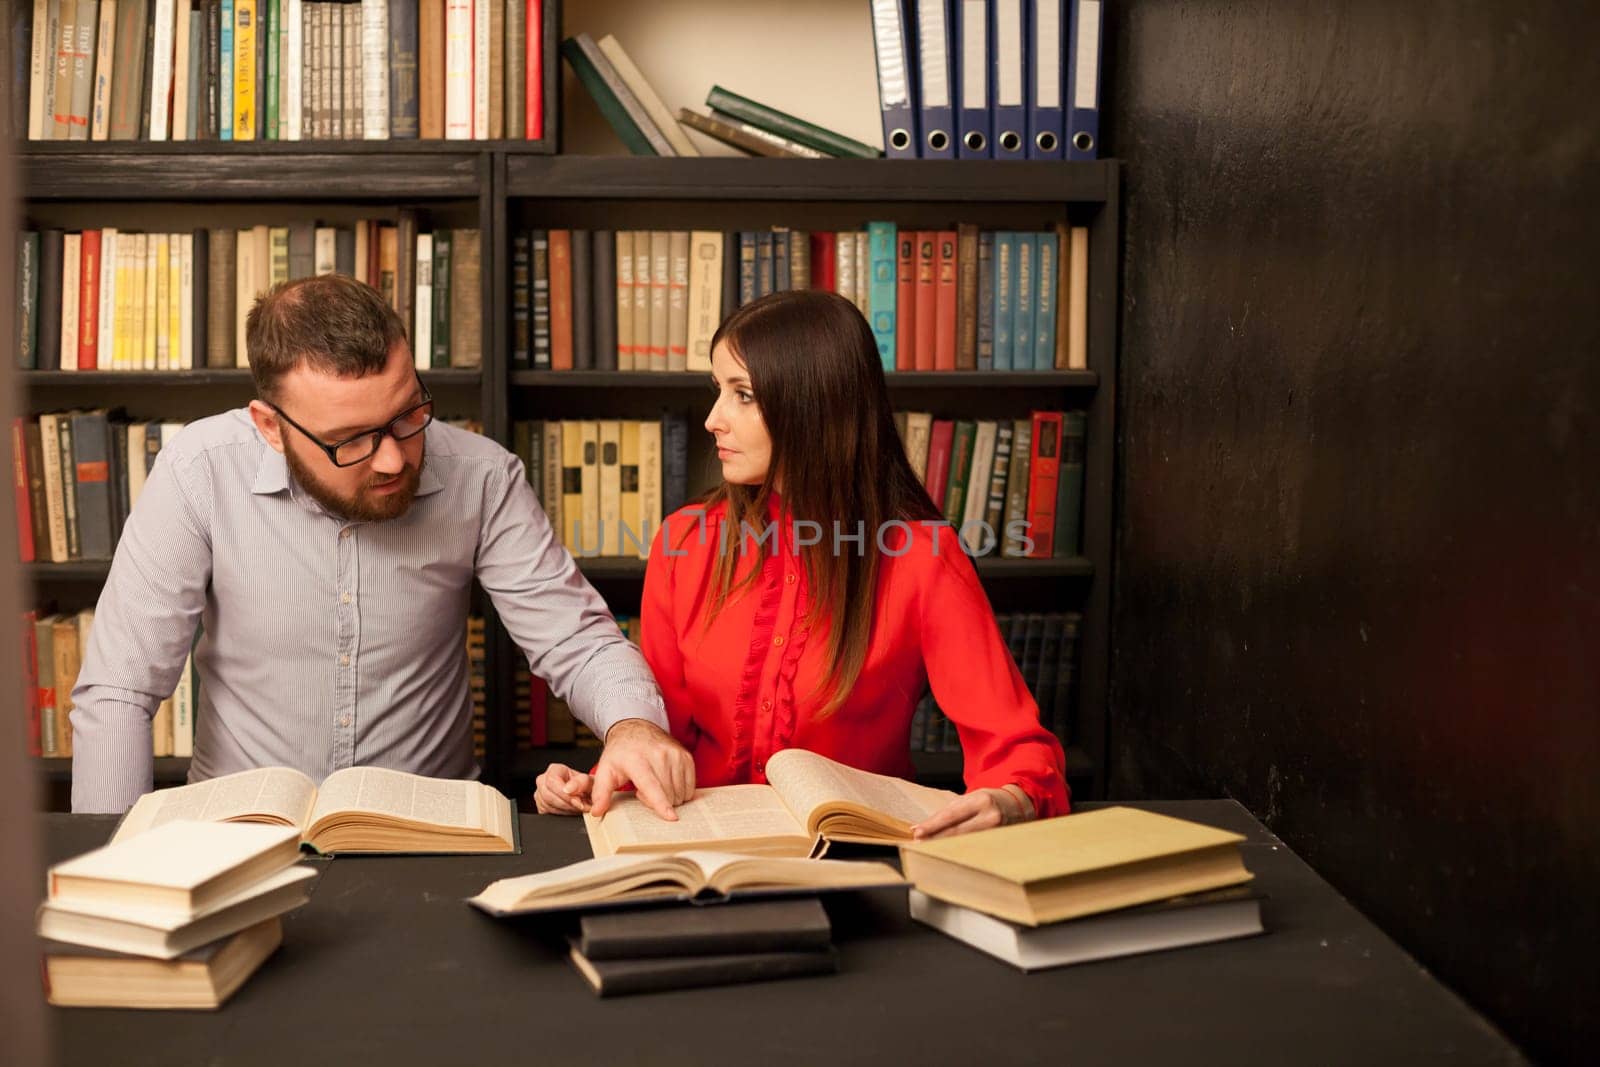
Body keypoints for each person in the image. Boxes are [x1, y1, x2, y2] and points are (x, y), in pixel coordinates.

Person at [71, 274, 693, 817]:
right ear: (270, 427)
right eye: (351, 440)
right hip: (242, 833)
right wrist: (111, 867)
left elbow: (574, 639)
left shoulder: (482, 475)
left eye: (406, 415)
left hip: (431, 837)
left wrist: (632, 727)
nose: (394, 458)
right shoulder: (198, 470)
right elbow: (119, 692)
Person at [535, 289, 1068, 836]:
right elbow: (663, 734)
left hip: (855, 855)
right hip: (698, 848)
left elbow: (1016, 748)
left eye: (743, 395)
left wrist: (1009, 799)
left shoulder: (921, 556)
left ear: (816, 405)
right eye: (718, 390)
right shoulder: (685, 541)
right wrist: (603, 777)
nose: (713, 419)